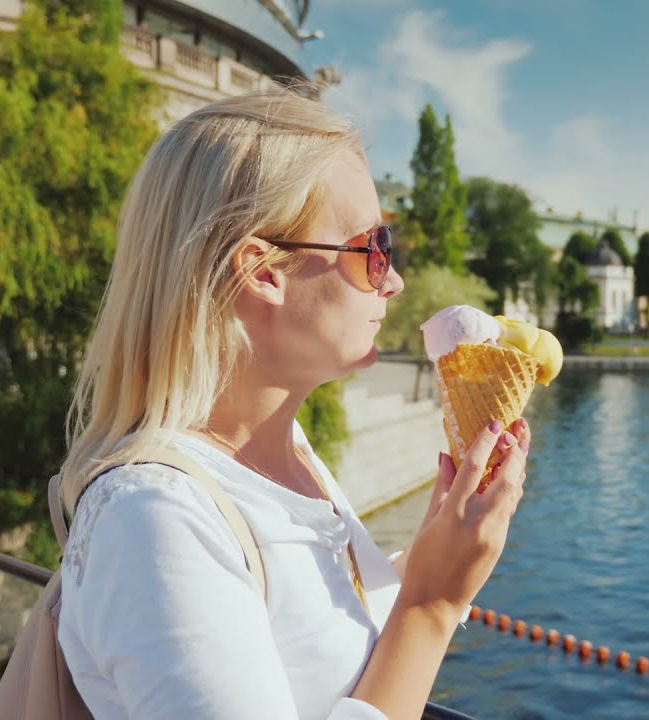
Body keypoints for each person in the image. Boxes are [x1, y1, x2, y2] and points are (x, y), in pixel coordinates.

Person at [53, 87, 530, 720]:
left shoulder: (286, 451)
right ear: (264, 270)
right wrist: (432, 606)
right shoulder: (153, 520)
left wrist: (430, 558)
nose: (394, 279)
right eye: (373, 248)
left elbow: (318, 636)